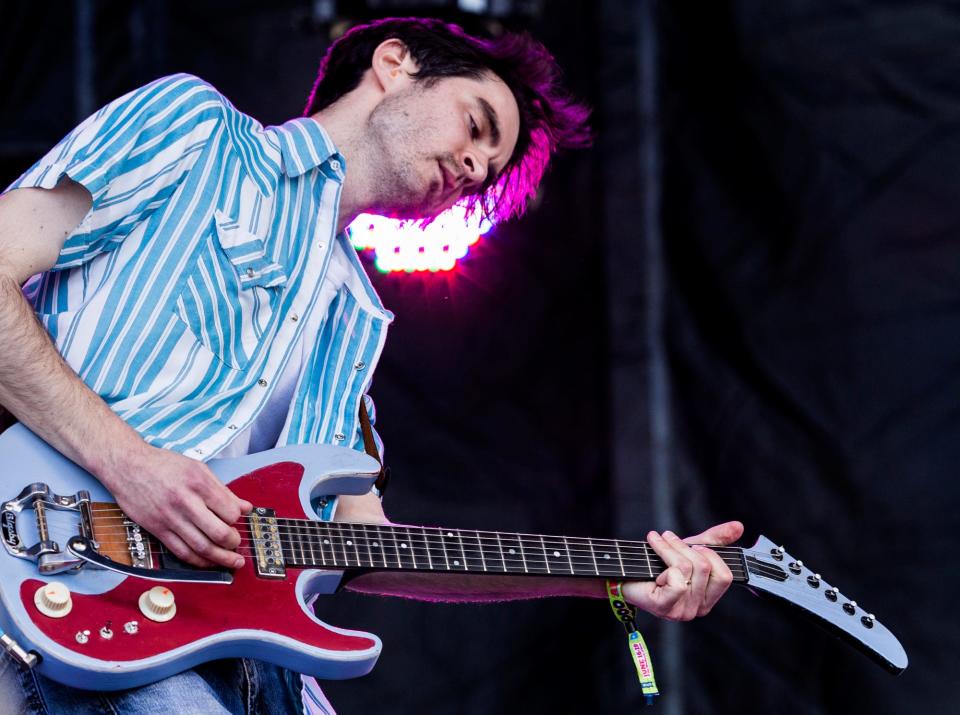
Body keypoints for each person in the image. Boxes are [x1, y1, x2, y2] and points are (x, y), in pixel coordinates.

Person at [0, 17, 743, 714]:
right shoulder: (195, 130)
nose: (475, 164)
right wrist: (130, 462)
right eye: (477, 124)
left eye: (487, 173)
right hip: (60, 566)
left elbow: (364, 546)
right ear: (394, 64)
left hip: (243, 654)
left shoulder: (354, 319)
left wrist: (612, 573)